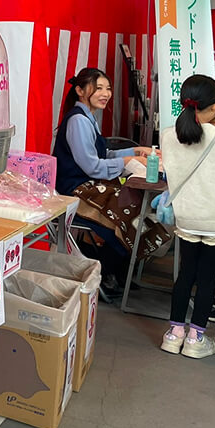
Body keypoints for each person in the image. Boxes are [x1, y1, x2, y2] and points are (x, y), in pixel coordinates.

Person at [53, 67, 168, 295]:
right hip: (74, 190)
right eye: (98, 88)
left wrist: (136, 151)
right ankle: (103, 273)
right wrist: (128, 159)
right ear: (79, 90)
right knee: (126, 215)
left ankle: (116, 271)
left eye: (107, 88)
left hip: (88, 185)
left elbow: (103, 155)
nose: (105, 93)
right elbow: (92, 166)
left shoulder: (88, 117)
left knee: (132, 205)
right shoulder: (79, 121)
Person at [158, 75, 215, 359]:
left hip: (186, 219)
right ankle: (197, 338)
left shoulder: (168, 135)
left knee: (185, 273)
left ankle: (174, 335)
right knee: (207, 277)